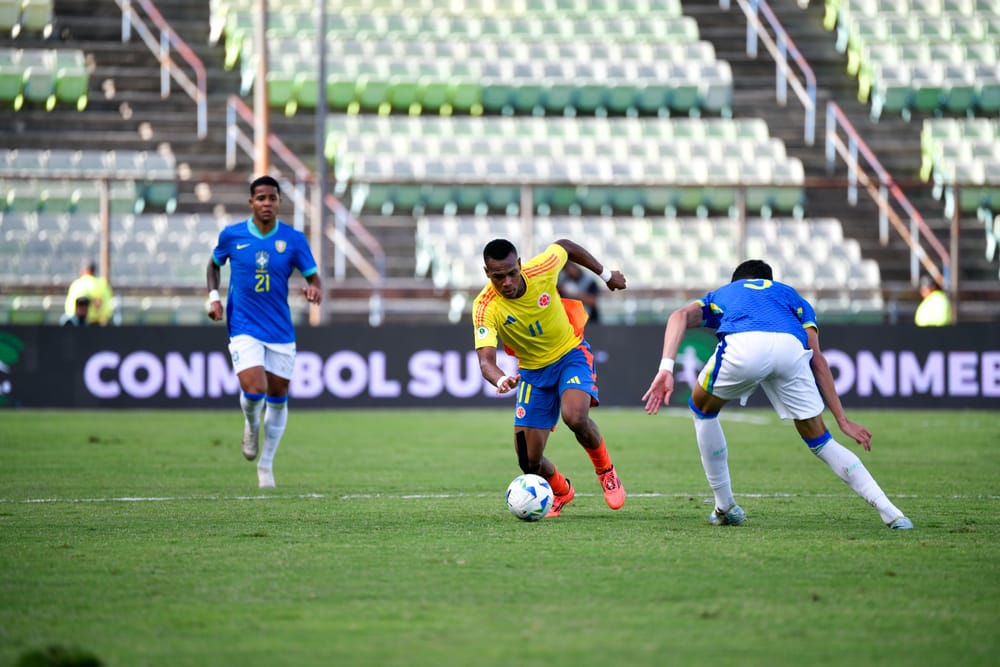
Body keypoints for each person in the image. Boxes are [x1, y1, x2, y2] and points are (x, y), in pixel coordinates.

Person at [642, 259, 913, 530]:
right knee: (821, 440)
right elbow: (817, 360)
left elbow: (678, 316)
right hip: (790, 349)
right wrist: (842, 420)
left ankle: (725, 505)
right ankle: (892, 513)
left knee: (702, 409)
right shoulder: (792, 297)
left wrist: (666, 367)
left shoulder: (727, 292)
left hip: (743, 345)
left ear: (738, 279)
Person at [473, 238, 627, 517]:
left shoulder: (541, 269)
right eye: (498, 276)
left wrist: (606, 275)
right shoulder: (485, 306)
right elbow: (486, 361)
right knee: (528, 462)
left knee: (575, 417)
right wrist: (500, 380)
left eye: (511, 273)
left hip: (571, 354)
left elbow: (565, 245)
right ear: (487, 273)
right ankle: (561, 491)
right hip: (532, 372)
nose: (507, 281)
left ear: (519, 265)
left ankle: (606, 471)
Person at [206, 175, 323, 489]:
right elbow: (214, 264)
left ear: (279, 202)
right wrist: (214, 297)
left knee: (278, 397)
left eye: (272, 198)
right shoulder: (232, 236)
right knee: (254, 389)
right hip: (243, 325)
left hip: (280, 329)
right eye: (261, 198)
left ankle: (266, 465)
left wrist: (314, 290)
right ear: (251, 202)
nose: (267, 203)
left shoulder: (293, 240)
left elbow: (314, 278)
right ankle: (249, 423)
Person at [64, 261, 114, 326]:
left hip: (79, 324)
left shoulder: (77, 284)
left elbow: (69, 309)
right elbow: (108, 309)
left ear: (84, 270)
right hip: (100, 324)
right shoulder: (103, 284)